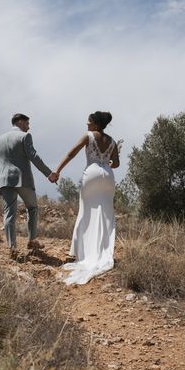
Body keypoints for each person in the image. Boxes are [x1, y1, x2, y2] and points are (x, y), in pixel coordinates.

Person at [54, 111, 119, 285]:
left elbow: (71, 153)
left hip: (92, 174)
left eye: (89, 122)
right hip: (108, 176)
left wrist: (57, 171)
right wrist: (107, 163)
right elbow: (117, 163)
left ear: (96, 124)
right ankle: (103, 252)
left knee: (87, 212)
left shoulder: (89, 136)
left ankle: (83, 253)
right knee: (105, 215)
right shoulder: (112, 141)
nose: (87, 124)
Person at [0, 113, 59, 258]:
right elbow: (33, 156)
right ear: (20, 122)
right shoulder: (24, 136)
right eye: (27, 123)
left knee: (9, 213)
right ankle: (32, 240)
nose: (29, 127)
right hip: (22, 179)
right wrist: (49, 174)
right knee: (32, 207)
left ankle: (12, 247)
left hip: (4, 181)